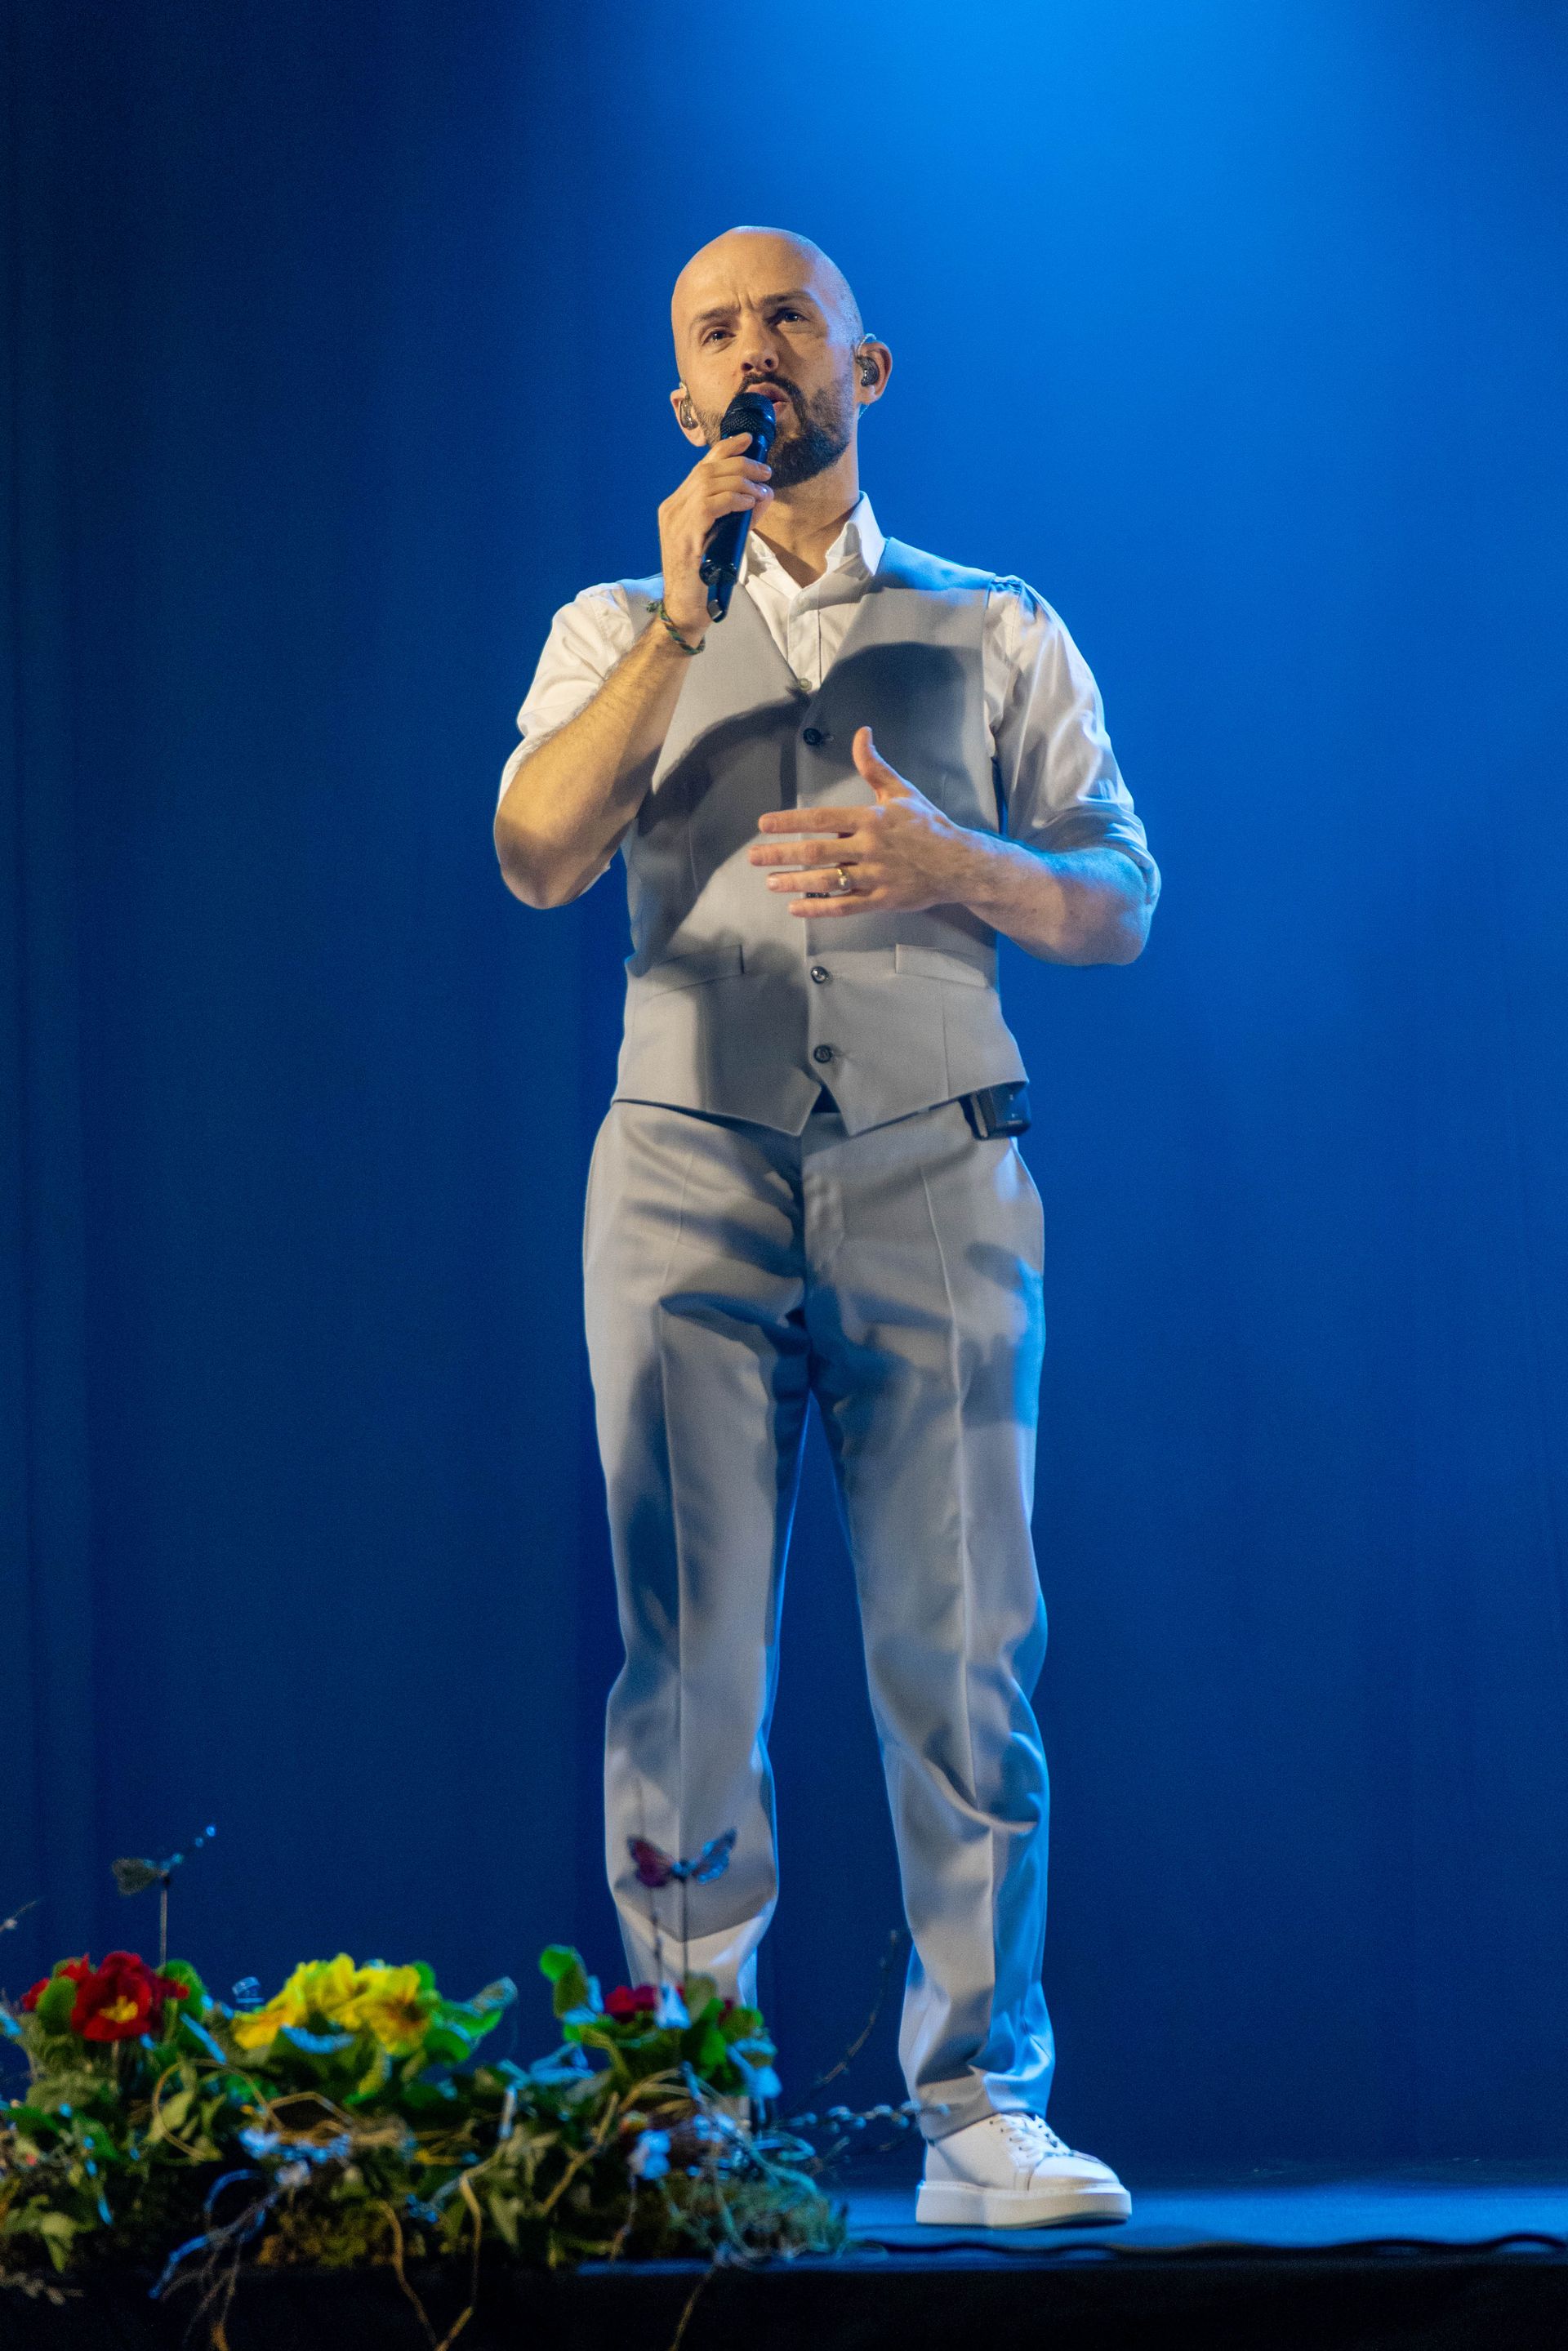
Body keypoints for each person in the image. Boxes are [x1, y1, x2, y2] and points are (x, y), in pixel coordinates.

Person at [494, 227, 1159, 2229]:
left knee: (966, 1651)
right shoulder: (614, 621)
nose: (753, 350)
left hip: (935, 1160)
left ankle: (983, 2110)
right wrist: (680, 629)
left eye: (789, 316)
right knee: (688, 1662)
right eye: (715, 332)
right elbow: (535, 852)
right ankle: (693, 2114)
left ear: (865, 370)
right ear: (682, 401)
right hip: (686, 1167)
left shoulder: (997, 623)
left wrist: (963, 862)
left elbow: (1122, 894)